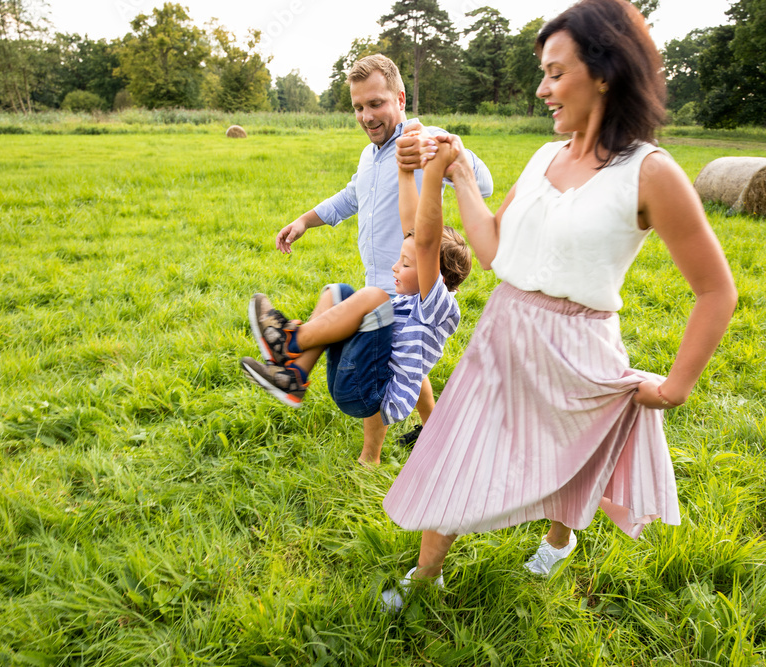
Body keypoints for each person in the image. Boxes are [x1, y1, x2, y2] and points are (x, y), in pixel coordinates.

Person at [378, 0, 738, 610]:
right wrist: (457, 171)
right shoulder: (545, 157)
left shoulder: (650, 172)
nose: (543, 88)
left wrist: (676, 387)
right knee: (456, 449)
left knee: (571, 462)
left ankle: (559, 540)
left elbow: (715, 290)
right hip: (505, 332)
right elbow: (491, 249)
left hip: (580, 347)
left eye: (554, 72)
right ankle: (426, 575)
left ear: (605, 72)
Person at [273, 54, 494, 461]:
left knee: (386, 369)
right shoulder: (369, 156)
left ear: (400, 98)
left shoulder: (423, 138)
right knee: (410, 362)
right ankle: (435, 431)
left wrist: (445, 149)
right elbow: (350, 197)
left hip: (415, 283)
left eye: (376, 104)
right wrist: (306, 220)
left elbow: (483, 183)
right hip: (385, 277)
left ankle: (370, 456)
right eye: (358, 106)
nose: (366, 115)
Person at [242, 133, 473, 465]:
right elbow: (412, 228)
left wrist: (433, 173)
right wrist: (405, 171)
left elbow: (424, 240)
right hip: (356, 376)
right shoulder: (413, 299)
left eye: (406, 264)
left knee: (375, 296)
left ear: (432, 273)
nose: (397, 266)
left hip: (370, 395)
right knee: (338, 293)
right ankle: (294, 376)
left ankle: (290, 341)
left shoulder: (438, 307)